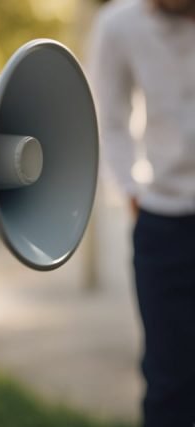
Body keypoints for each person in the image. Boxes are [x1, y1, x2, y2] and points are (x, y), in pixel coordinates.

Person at [88, 0, 195, 425]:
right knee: (169, 379)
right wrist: (131, 193)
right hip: (163, 222)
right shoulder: (118, 23)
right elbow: (110, 120)